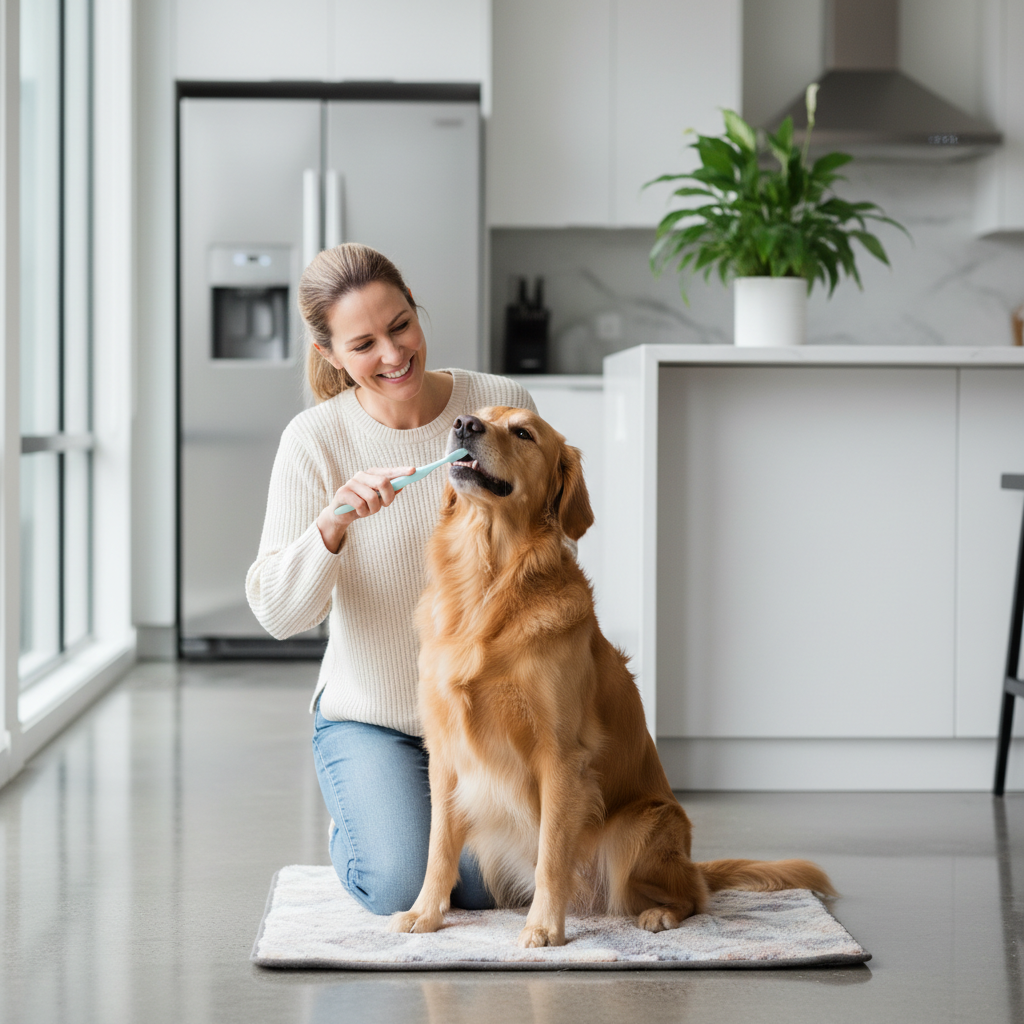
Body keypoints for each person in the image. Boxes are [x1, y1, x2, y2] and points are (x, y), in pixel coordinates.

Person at [246, 243, 538, 915]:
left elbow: (544, 533)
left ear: (415, 310)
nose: (393, 354)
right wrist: (332, 525)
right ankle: (367, 819)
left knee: (503, 882)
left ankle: (410, 818)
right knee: (405, 881)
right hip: (374, 719)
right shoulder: (314, 439)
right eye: (364, 343)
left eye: (401, 324)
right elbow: (278, 613)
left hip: (484, 717)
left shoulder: (497, 404)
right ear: (330, 356)